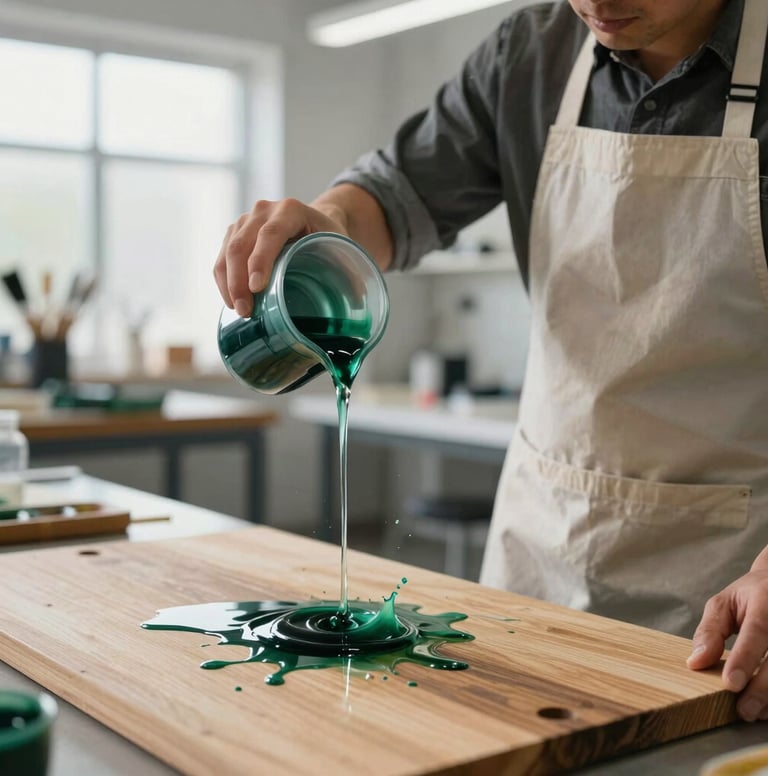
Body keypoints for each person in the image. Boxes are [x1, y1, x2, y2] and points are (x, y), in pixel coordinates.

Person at [214, 0, 768, 722]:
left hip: (732, 592)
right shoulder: (531, 53)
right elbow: (392, 193)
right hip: (542, 549)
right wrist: (331, 222)